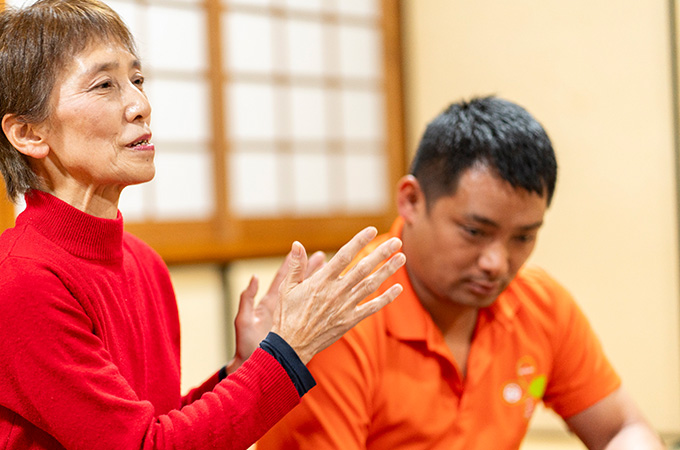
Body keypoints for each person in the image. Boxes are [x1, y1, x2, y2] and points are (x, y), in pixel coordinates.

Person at [0, 1, 407, 449]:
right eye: (104, 85)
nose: (140, 104)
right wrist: (288, 354)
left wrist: (242, 366)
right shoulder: (21, 279)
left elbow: (156, 429)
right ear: (29, 133)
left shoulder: (144, 264)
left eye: (137, 78)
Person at [256, 96, 666, 449]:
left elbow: (622, 427)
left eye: (523, 237)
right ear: (412, 201)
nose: (497, 262)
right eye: (475, 231)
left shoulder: (539, 304)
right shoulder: (337, 319)